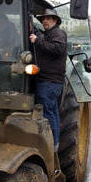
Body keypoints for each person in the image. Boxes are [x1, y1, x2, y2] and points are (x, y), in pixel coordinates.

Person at [29, 9, 67, 152]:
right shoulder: (49, 34)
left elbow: (57, 49)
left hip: (49, 81)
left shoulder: (58, 33)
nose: (45, 21)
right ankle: (55, 144)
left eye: (49, 18)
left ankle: (51, 146)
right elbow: (46, 41)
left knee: (48, 113)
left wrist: (37, 40)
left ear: (55, 20)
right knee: (53, 112)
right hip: (49, 81)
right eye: (44, 18)